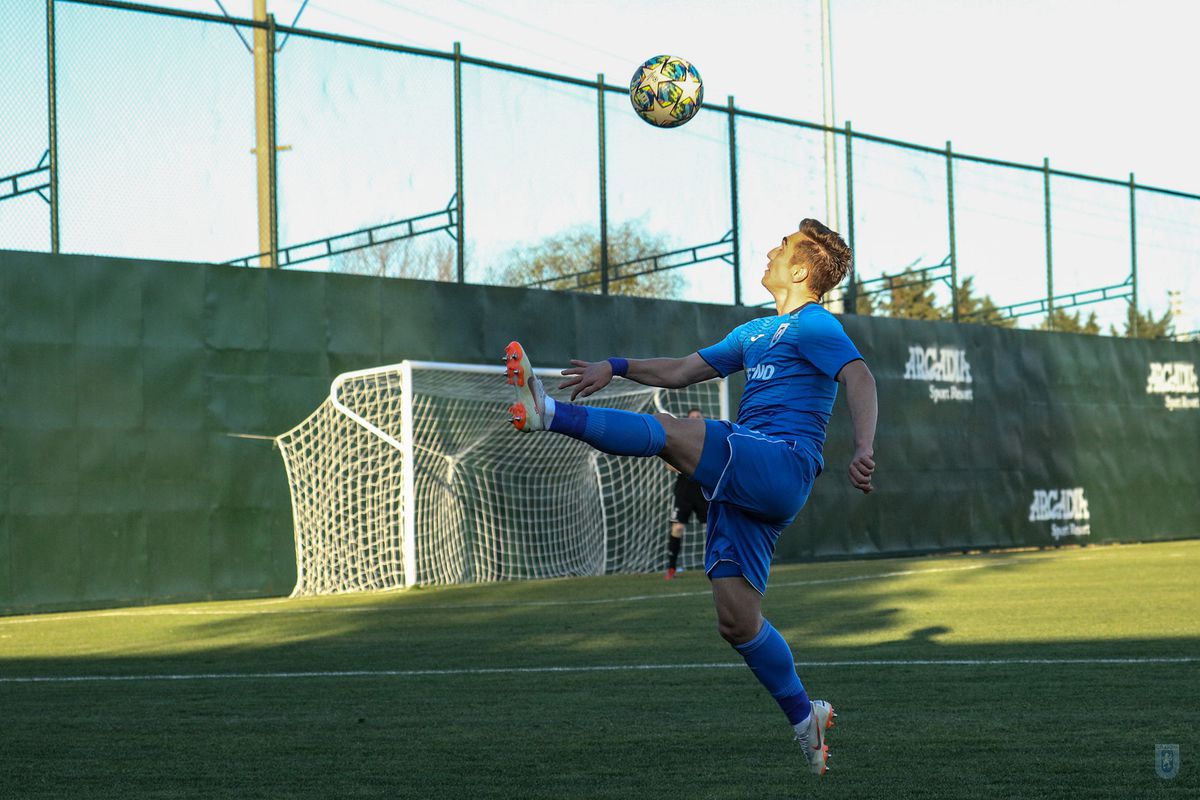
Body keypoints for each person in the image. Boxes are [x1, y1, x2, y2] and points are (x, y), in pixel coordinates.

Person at [504, 218, 877, 778]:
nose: (771, 251)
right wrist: (617, 367)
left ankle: (548, 412)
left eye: (783, 248)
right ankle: (807, 720)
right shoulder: (753, 333)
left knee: (678, 432)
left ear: (801, 271)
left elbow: (860, 377)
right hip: (746, 481)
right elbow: (681, 369)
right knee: (737, 622)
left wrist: (864, 446)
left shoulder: (815, 325)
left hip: (780, 461)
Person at [664, 408, 708, 580]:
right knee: (678, 527)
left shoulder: (709, 439)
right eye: (693, 417)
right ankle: (671, 569)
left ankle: (717, 565)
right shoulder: (680, 442)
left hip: (704, 489)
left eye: (699, 416)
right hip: (684, 491)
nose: (696, 419)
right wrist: (690, 464)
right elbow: (669, 466)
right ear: (687, 420)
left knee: (712, 527)